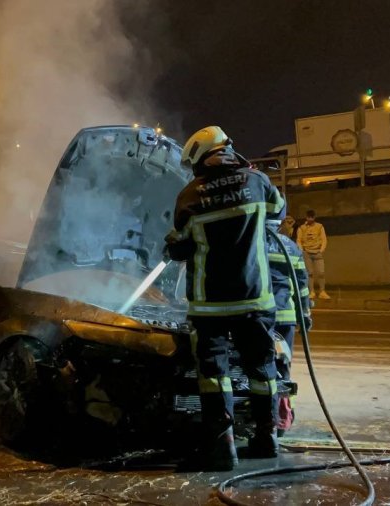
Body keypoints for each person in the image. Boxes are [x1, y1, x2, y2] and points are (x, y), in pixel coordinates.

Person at [165, 126, 285, 471]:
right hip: (255, 299)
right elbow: (277, 214)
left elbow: (179, 248)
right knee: (263, 372)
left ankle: (223, 449)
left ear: (199, 159)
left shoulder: (190, 195)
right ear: (228, 148)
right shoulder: (257, 181)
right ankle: (267, 439)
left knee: (215, 375)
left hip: (210, 305)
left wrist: (172, 243)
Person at [265, 219, 311, 435]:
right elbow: (302, 284)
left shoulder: (252, 243)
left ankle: (267, 417)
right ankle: (284, 417)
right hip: (286, 317)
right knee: (283, 367)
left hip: (261, 316)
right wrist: (305, 313)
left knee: (261, 368)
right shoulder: (291, 246)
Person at [296, 210, 329, 299]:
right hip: (307, 253)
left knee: (321, 272)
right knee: (309, 273)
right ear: (306, 217)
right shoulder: (302, 228)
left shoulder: (319, 227)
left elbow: (324, 239)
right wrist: (302, 250)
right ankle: (311, 292)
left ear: (314, 217)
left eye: (312, 217)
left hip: (317, 253)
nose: (310, 219)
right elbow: (298, 240)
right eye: (308, 217)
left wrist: (321, 250)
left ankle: (322, 291)